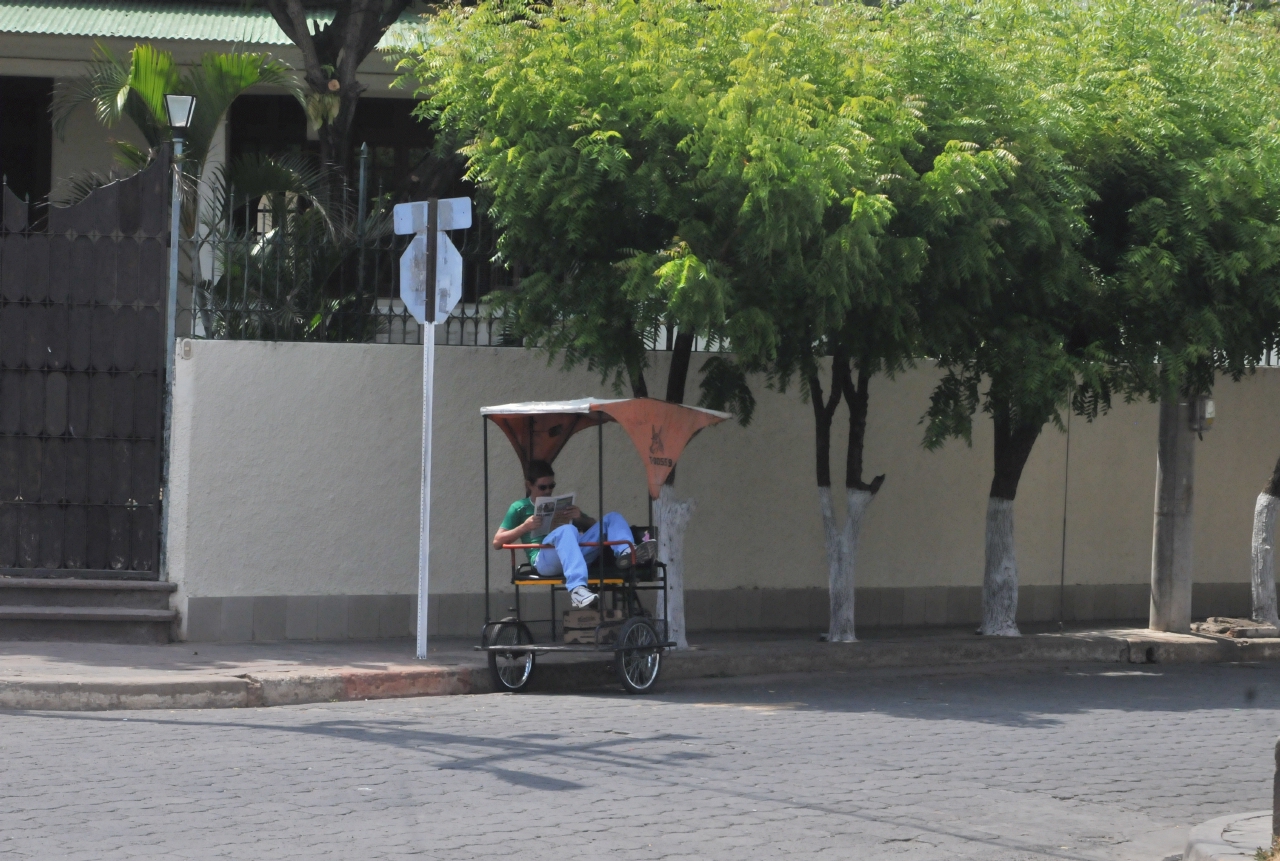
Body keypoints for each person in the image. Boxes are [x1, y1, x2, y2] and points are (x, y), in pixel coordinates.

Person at [493, 459, 657, 609]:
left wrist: (580, 518)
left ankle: (627, 552)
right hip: (544, 559)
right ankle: (577, 589)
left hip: (574, 555)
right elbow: (497, 542)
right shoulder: (519, 507)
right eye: (543, 487)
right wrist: (524, 527)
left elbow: (596, 527)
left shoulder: (559, 504)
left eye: (552, 486)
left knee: (612, 517)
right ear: (529, 485)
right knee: (567, 530)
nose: (548, 491)